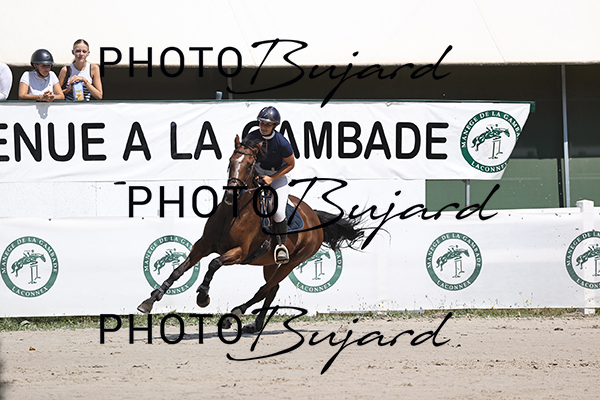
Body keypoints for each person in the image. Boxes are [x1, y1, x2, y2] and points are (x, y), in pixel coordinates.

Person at [246, 106, 295, 264]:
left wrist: (272, 178)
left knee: (278, 212)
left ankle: (281, 246)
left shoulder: (282, 142)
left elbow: (290, 164)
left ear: (274, 125)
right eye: (261, 123)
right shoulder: (252, 137)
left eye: (267, 124)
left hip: (278, 176)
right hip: (256, 173)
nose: (263, 126)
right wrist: (253, 174)